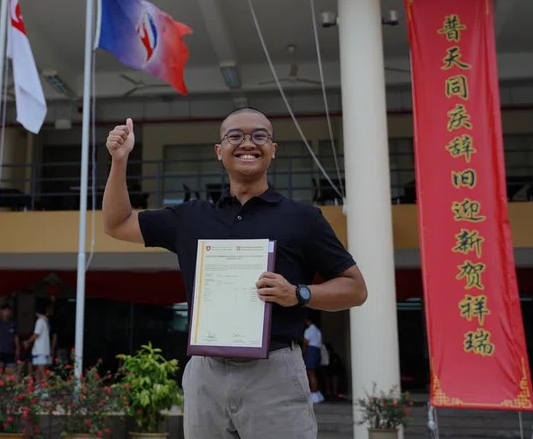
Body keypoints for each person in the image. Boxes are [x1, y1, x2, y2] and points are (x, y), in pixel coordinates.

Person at [102, 109, 368, 439]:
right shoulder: (190, 218)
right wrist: (119, 161)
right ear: (219, 151)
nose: (247, 143)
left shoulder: (303, 219)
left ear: (273, 149)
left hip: (275, 372)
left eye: (259, 136)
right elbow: (116, 224)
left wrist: (299, 293)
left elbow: (356, 289)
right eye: (235, 136)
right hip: (205, 374)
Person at [22, 301, 51, 381]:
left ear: (36, 313)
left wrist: (28, 342)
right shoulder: (46, 321)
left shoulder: (40, 321)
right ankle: (39, 386)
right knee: (39, 369)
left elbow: (36, 334)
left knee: (41, 369)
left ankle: (44, 387)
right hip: (44, 349)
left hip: (40, 349)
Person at [302, 316, 324, 404]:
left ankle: (313, 393)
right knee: (313, 373)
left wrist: (303, 354)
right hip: (316, 351)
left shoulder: (309, 330)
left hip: (311, 351)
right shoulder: (318, 331)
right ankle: (316, 392)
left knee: (310, 373)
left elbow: (305, 343)